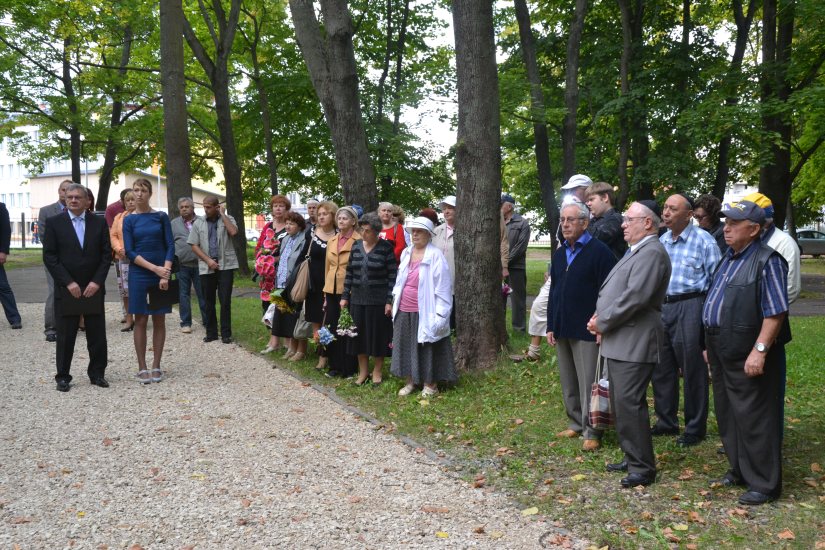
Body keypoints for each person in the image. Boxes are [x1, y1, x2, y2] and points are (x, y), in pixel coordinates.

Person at [703, 200, 789, 505]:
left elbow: (775, 312)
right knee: (728, 412)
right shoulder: (728, 257)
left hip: (748, 348)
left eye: (734, 224)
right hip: (721, 346)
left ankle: (765, 483)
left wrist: (760, 350)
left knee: (755, 415)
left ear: (753, 230)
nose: (726, 228)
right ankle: (740, 468)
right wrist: (707, 346)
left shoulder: (768, 260)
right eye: (726, 222)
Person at [586, 200, 671, 488]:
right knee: (622, 402)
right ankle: (632, 455)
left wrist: (604, 321)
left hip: (635, 339)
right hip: (622, 337)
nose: (622, 224)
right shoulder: (638, 250)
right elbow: (618, 291)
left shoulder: (652, 252)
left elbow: (635, 297)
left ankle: (642, 467)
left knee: (630, 403)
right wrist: (600, 317)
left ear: (647, 223)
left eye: (629, 219)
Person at [651, 193, 721, 447]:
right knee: (662, 366)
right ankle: (666, 421)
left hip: (690, 305)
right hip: (663, 306)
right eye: (665, 208)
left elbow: (716, 282)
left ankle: (694, 427)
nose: (666, 213)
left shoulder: (704, 241)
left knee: (692, 367)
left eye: (673, 209)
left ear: (689, 215)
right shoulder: (662, 241)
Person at [547, 202, 617, 451]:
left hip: (587, 328)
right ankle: (575, 422)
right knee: (569, 380)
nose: (565, 225)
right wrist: (551, 324)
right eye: (562, 220)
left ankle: (592, 430)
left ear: (585, 223)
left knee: (589, 381)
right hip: (563, 325)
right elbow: (554, 291)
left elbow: (609, 292)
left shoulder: (600, 252)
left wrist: (602, 323)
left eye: (570, 220)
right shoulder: (559, 254)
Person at [740, 191, 800, 438]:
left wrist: (763, 312)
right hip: (742, 327)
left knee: (769, 386)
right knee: (745, 386)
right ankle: (746, 437)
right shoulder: (744, 244)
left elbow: (791, 289)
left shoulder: (783, 243)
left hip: (771, 325)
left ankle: (770, 439)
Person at [42, 184, 112, 391]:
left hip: (93, 287)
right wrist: (68, 282)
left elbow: (106, 255)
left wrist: (97, 282)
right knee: (65, 335)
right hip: (67, 288)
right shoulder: (55, 223)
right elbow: (50, 256)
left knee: (97, 334)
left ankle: (97, 374)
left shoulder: (99, 222)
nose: (73, 200)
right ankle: (63, 376)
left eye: (77, 197)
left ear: (87, 201)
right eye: (70, 197)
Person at [391, 216, 456, 396]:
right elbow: (400, 280)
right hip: (404, 307)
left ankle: (430, 384)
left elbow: (443, 287)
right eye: (413, 231)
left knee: (427, 347)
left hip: (425, 309)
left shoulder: (435, 255)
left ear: (428, 234)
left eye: (419, 231)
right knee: (407, 345)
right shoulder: (406, 252)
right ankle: (411, 381)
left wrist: (441, 314)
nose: (415, 235)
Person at [123, 178, 175, 384]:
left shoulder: (161, 217)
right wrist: (155, 269)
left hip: (161, 271)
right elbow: (129, 251)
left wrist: (165, 272)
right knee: (141, 319)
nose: (139, 194)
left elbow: (170, 245)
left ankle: (156, 365)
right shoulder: (129, 220)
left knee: (159, 318)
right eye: (136, 190)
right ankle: (142, 366)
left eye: (143, 190)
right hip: (139, 273)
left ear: (150, 193)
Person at [341, 212, 397, 386]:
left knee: (377, 336)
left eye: (367, 231)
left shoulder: (386, 248)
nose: (363, 234)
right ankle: (363, 372)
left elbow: (392, 277)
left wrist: (389, 301)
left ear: (376, 231)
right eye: (362, 230)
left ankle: (377, 371)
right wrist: (345, 296)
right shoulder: (356, 246)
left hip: (378, 301)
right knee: (358, 337)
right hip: (357, 299)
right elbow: (349, 272)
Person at [188, 195, 239, 345]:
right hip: (207, 266)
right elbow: (193, 245)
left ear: (217, 207)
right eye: (204, 206)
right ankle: (211, 333)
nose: (205, 209)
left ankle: (226, 334)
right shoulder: (199, 222)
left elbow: (233, 232)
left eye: (209, 207)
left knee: (225, 301)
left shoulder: (228, 219)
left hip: (225, 265)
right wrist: (208, 260)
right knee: (208, 301)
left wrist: (223, 214)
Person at [262, 212, 309, 359]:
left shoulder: (304, 239)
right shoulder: (286, 238)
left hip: (293, 282)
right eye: (287, 223)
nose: (288, 226)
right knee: (281, 314)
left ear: (300, 226)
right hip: (281, 281)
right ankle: (286, 346)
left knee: (293, 315)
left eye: (291, 224)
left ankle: (296, 348)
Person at [322, 206, 362, 377]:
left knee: (347, 328)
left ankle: (349, 368)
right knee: (332, 327)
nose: (341, 221)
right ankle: (334, 366)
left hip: (349, 290)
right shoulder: (332, 240)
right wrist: (325, 294)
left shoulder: (359, 240)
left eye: (345, 218)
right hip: (331, 289)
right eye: (339, 218)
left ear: (353, 221)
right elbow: (327, 267)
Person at [304, 201, 338, 370]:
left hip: (332, 284)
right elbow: (303, 256)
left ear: (333, 215)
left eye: (325, 214)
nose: (322, 217)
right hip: (313, 284)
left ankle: (328, 354)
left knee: (328, 320)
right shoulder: (311, 233)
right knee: (316, 321)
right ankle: (320, 354)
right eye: (320, 214)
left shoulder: (339, 235)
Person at [38, 178, 73, 342]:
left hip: (74, 260)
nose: (66, 193)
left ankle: (70, 324)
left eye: (70, 190)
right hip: (54, 259)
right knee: (54, 292)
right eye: (64, 190)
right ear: (59, 191)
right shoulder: (46, 211)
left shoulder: (77, 211)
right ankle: (51, 328)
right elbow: (44, 236)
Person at [255, 195, 291, 348]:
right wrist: (260, 259)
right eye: (275, 206)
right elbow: (259, 246)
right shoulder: (268, 226)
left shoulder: (289, 226)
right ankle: (273, 339)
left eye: (281, 206)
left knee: (282, 305)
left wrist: (276, 259)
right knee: (267, 304)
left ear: (286, 209)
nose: (278, 209)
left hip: (283, 272)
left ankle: (287, 341)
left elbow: (292, 249)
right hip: (267, 274)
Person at [171, 197, 208, 334]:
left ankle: (207, 322)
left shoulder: (202, 221)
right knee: (183, 295)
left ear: (192, 208)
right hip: (182, 265)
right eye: (182, 207)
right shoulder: (174, 223)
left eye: (187, 206)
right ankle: (186, 323)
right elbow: (169, 243)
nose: (184, 209)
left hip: (200, 264)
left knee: (202, 294)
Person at [501, 193, 530, 332]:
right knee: (499, 299)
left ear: (509, 206)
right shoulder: (497, 222)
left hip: (516, 268)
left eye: (501, 204)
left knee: (518, 300)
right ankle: (499, 328)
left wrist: (505, 262)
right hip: (498, 268)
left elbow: (520, 247)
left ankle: (519, 329)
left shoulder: (522, 223)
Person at [109, 190, 137, 332]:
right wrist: (119, 248)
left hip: (138, 259)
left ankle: (140, 317)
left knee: (138, 289)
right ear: (124, 203)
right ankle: (129, 318)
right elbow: (113, 235)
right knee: (125, 290)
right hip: (123, 258)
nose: (130, 202)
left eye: (133, 199)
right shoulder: (119, 217)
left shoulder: (142, 217)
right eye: (128, 200)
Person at [585, 182, 627, 259]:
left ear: (605, 197)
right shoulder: (592, 220)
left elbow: (596, 239)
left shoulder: (616, 219)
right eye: (587, 201)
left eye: (591, 199)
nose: (588, 204)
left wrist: (582, 219)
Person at [431, 196, 456, 327]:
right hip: (438, 277)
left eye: (450, 208)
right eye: (444, 209)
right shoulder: (436, 231)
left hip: (455, 276)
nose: (446, 211)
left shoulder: (465, 230)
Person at [0, 201, 22, 330]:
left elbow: (5, 230)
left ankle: (14, 318)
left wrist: (3, 251)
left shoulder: (0, 207)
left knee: (3, 287)